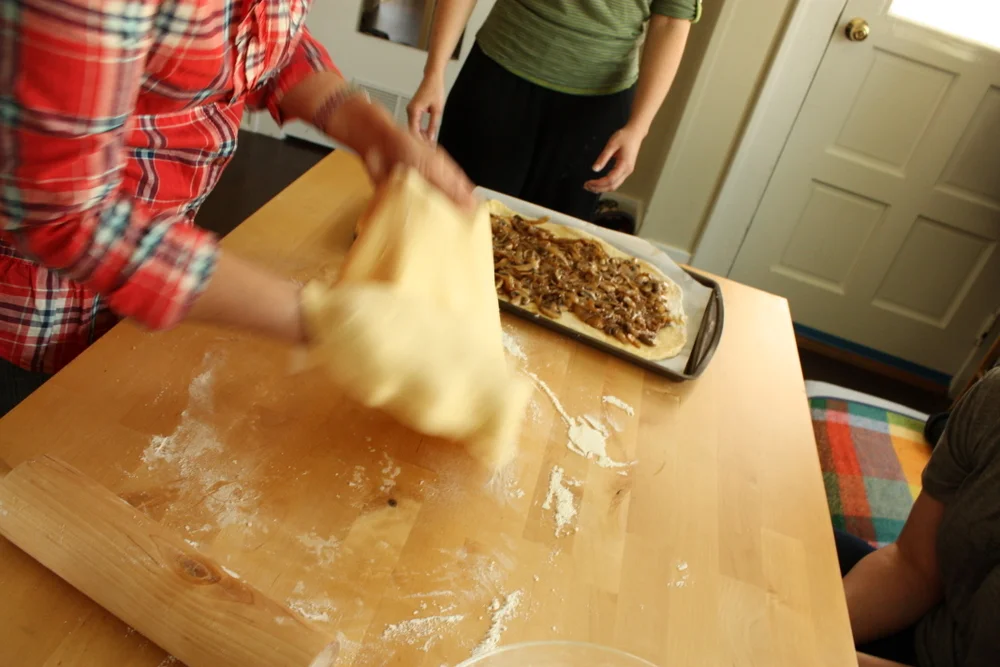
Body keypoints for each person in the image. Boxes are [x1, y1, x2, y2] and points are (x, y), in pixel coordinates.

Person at [0, 0, 475, 417]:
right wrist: (328, 323)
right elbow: (67, 216)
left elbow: (270, 49)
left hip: (143, 268)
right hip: (32, 312)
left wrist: (375, 135)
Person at [407, 0, 699, 222]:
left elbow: (672, 20)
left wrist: (639, 126)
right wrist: (434, 72)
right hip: (496, 78)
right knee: (451, 221)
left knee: (549, 248)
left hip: (593, 112)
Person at [835, 368, 1000, 667]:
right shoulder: (994, 398)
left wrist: (813, 653)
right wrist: (816, 630)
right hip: (929, 630)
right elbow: (913, 564)